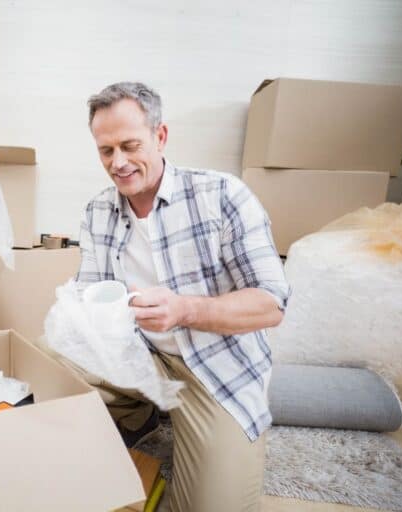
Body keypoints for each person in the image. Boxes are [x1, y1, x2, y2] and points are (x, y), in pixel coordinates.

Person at [76, 82, 290, 511]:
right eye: (105, 151)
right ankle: (138, 413)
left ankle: (162, 418)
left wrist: (184, 309)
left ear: (161, 136)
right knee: (47, 359)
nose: (117, 163)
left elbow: (272, 302)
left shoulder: (222, 195)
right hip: (135, 353)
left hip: (211, 365)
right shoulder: (98, 210)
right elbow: (89, 293)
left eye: (129, 145)